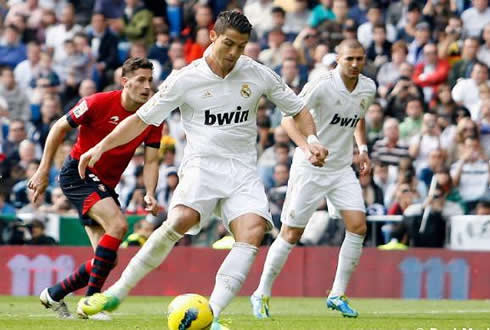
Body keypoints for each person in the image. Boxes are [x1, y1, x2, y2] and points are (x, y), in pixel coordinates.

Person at [76, 11, 327, 329]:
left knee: (252, 232)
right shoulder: (186, 78)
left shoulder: (258, 73)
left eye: (242, 46)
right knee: (181, 219)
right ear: (212, 36)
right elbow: (141, 120)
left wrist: (312, 139)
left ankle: (213, 314)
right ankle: (116, 293)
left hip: (243, 169)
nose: (234, 53)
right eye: (229, 44)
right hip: (202, 165)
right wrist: (101, 146)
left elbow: (299, 110)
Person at [27, 57, 162, 320]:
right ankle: (90, 303)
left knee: (107, 258)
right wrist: (43, 170)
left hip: (105, 186)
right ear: (125, 82)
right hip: (78, 173)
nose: (147, 87)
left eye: (150, 80)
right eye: (141, 80)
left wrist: (150, 191)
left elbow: (152, 160)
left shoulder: (154, 115)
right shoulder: (98, 102)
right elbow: (57, 128)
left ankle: (54, 294)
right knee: (119, 226)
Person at [251, 39, 376, 319]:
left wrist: (363, 148)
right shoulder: (321, 85)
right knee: (292, 233)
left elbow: (358, 117)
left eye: (359, 59)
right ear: (337, 60)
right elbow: (287, 118)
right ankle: (261, 293)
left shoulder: (368, 87)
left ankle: (337, 294)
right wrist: (307, 147)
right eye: (349, 59)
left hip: (342, 167)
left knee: (358, 226)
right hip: (310, 168)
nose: (355, 64)